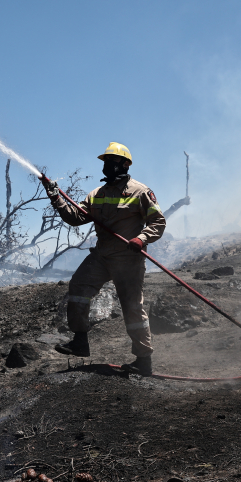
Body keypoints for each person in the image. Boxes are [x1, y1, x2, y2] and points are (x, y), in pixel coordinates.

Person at [41, 142, 165, 375]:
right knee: (78, 286)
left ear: (125, 164)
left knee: (132, 308)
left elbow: (158, 222)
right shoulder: (97, 194)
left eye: (112, 161)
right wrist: (56, 197)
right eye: (105, 161)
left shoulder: (140, 192)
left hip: (128, 258)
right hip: (102, 255)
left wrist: (142, 239)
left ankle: (143, 361)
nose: (107, 166)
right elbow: (76, 217)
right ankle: (80, 341)